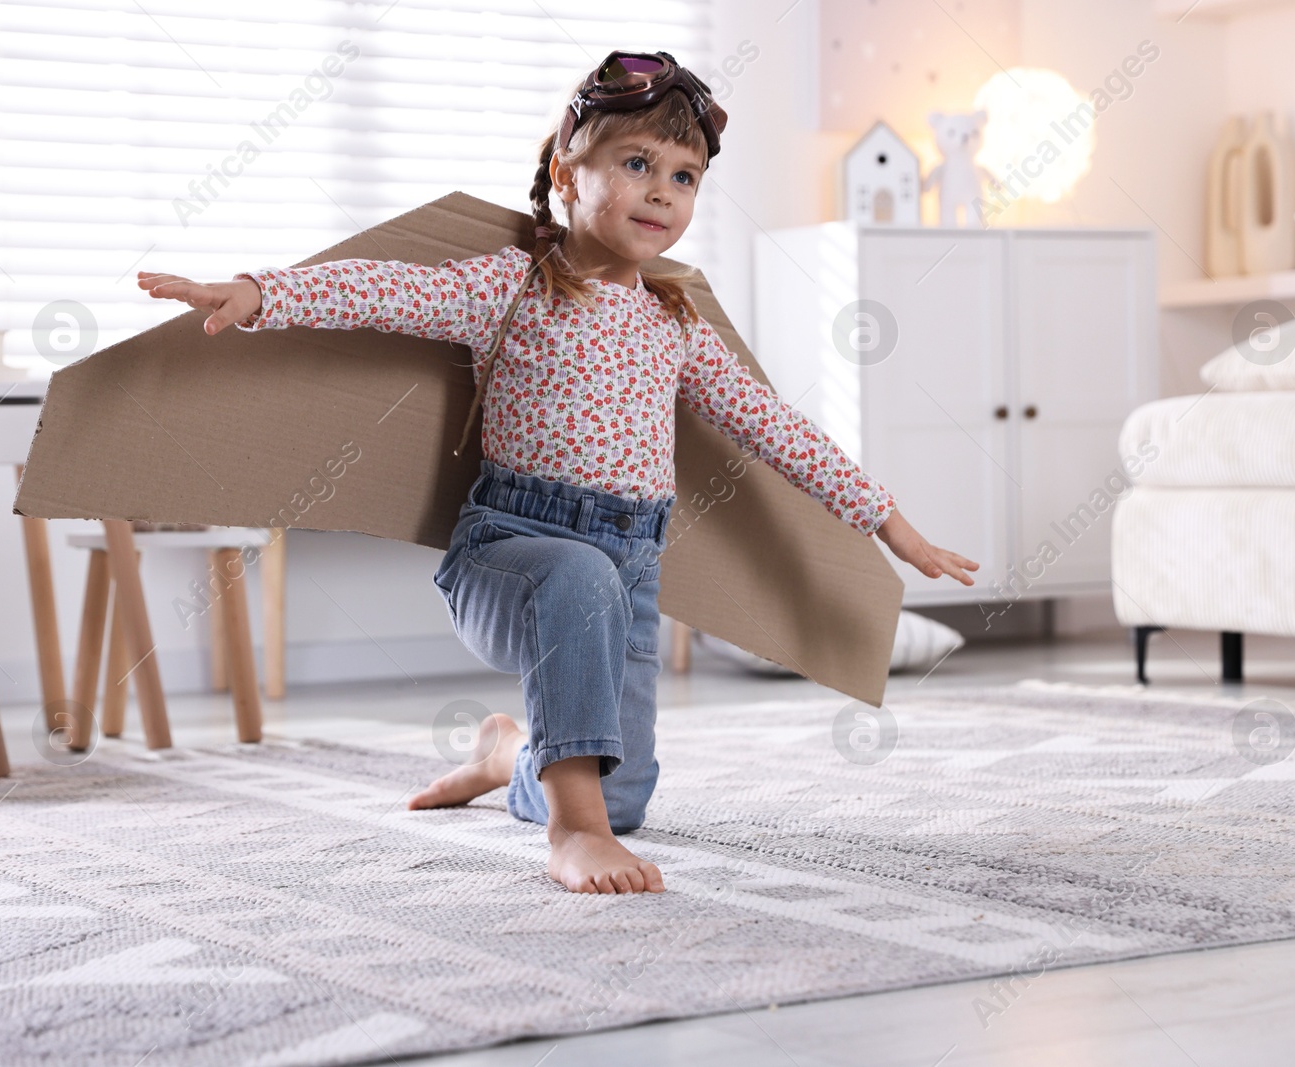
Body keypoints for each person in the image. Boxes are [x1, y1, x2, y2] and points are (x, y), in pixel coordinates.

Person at [138, 50, 977, 896]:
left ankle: (512, 753)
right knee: (579, 603)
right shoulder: (511, 286)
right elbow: (387, 290)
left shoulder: (674, 325)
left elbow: (774, 425)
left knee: (629, 793)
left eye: (684, 177)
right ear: (565, 172)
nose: (662, 191)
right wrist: (259, 293)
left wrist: (887, 518)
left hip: (633, 567)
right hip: (509, 550)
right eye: (638, 163)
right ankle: (572, 832)